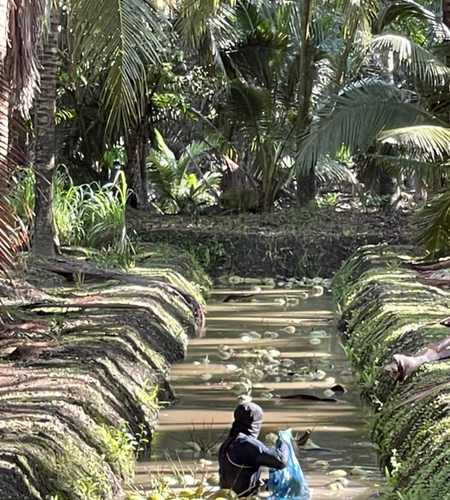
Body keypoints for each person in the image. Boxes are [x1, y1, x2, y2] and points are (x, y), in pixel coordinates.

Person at [218, 402, 288, 497]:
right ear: (255, 422)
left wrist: (257, 480)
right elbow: (281, 461)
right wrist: (284, 442)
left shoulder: (230, 441)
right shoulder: (247, 444)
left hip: (228, 496)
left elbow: (233, 473)